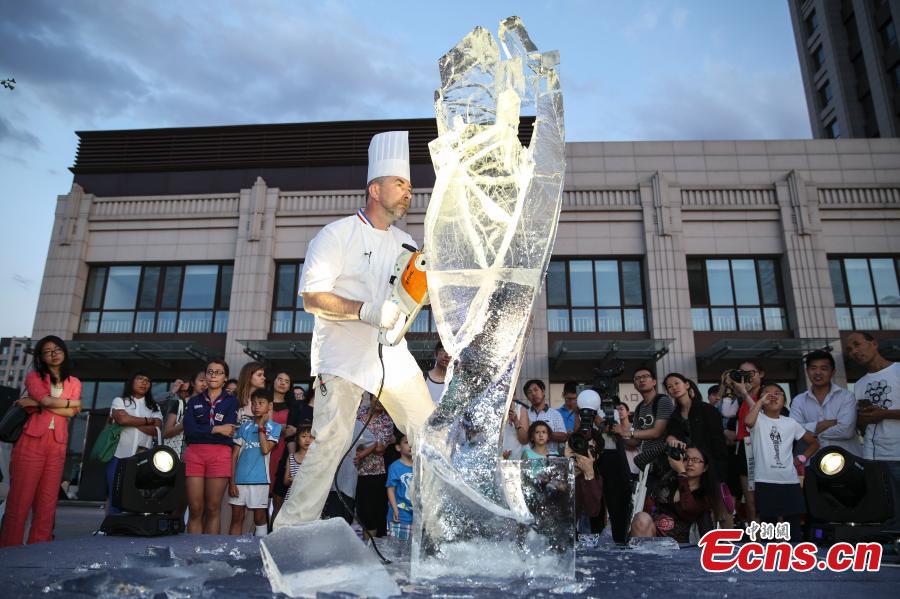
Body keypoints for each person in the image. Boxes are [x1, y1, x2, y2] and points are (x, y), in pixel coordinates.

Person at [275, 131, 435, 529]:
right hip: (342, 354)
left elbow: (417, 293)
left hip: (390, 353)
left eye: (411, 187)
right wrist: (366, 309)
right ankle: (290, 531)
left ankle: (438, 526)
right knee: (330, 442)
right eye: (400, 184)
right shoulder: (336, 234)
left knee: (430, 434)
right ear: (375, 189)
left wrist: (432, 287)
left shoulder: (406, 241)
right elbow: (312, 298)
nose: (407, 193)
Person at [0, 336, 80, 547]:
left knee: (47, 503)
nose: (53, 353)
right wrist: (68, 403)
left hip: (57, 445)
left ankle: (40, 549)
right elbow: (55, 402)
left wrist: (41, 403)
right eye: (47, 351)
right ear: (41, 357)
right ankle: (9, 548)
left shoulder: (74, 382)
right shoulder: (34, 377)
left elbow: (72, 412)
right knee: (19, 502)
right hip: (31, 442)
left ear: (64, 352)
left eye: (57, 349)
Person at [745, 382, 819, 539]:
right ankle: (769, 558)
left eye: (778, 393)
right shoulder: (758, 419)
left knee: (793, 524)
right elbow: (748, 422)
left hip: (789, 480)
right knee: (768, 526)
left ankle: (793, 557)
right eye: (767, 393)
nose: (772, 396)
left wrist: (801, 458)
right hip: (765, 480)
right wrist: (760, 402)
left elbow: (814, 443)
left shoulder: (790, 422)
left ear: (784, 400)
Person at [846, 331, 900, 533]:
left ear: (874, 344)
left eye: (857, 344)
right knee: (886, 510)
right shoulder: (859, 384)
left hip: (898, 451)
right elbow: (864, 424)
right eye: (850, 350)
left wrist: (884, 414)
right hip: (873, 454)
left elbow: (881, 414)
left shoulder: (897, 371)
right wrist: (863, 419)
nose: (854, 352)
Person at [183, 359, 238, 535]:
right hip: (195, 453)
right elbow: (190, 431)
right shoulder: (193, 401)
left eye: (218, 372)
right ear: (205, 376)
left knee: (213, 508)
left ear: (225, 378)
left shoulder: (232, 402)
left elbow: (229, 430)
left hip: (220, 454)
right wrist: (216, 429)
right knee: (195, 508)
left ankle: (209, 554)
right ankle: (191, 552)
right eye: (210, 372)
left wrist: (206, 430)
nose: (213, 375)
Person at [630, 445, 720, 544]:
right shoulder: (668, 477)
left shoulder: (705, 494)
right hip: (651, 538)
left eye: (695, 460)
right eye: (686, 458)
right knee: (641, 518)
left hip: (679, 549)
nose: (689, 463)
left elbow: (688, 508)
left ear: (705, 467)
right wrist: (667, 446)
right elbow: (639, 461)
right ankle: (644, 557)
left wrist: (682, 474)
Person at [106, 371, 163, 514]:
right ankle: (110, 530)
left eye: (148, 380)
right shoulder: (119, 401)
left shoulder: (154, 406)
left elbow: (156, 429)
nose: (144, 382)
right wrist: (147, 420)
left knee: (135, 495)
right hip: (118, 455)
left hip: (142, 458)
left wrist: (131, 421)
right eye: (140, 379)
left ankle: (130, 529)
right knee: (115, 494)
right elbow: (122, 420)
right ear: (131, 381)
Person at [229, 388, 280, 537]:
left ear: (269, 406)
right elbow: (234, 456)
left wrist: (261, 428)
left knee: (259, 518)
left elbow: (265, 449)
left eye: (261, 403)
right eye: (254, 403)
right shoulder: (244, 427)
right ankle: (233, 554)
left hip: (260, 481)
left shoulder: (274, 427)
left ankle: (260, 552)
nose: (256, 406)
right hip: (239, 480)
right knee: (237, 518)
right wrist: (231, 482)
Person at [790, 350, 861, 456]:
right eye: (813, 368)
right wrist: (824, 424)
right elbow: (794, 431)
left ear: (833, 372)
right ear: (807, 371)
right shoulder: (798, 401)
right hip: (813, 462)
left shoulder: (847, 397)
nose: (818, 372)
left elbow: (846, 431)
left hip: (847, 460)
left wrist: (811, 432)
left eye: (824, 368)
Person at [663, 372, 728, 482]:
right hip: (685, 467)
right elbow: (670, 435)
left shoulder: (707, 409)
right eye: (670, 387)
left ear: (687, 385)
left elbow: (718, 442)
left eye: (676, 383)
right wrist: (670, 438)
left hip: (710, 466)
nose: (674, 387)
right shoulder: (674, 416)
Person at [727, 359, 765, 522]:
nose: (747, 378)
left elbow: (763, 418)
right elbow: (728, 415)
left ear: (761, 374)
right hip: (743, 448)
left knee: (765, 500)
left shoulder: (766, 393)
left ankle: (773, 541)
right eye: (742, 374)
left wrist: (744, 393)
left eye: (750, 373)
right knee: (750, 502)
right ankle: (755, 542)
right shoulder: (741, 397)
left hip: (763, 449)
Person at [613, 367, 674, 470]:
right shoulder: (639, 408)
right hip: (648, 462)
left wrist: (627, 433)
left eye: (645, 376)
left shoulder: (663, 401)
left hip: (665, 459)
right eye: (637, 378)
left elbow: (656, 432)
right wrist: (618, 437)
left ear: (654, 382)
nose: (641, 380)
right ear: (635, 385)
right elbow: (636, 442)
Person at [354, 397, 395, 538]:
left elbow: (380, 448)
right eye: (376, 397)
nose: (379, 401)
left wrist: (359, 443)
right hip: (351, 469)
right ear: (371, 398)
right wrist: (371, 443)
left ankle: (371, 548)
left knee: (371, 512)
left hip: (374, 471)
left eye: (383, 398)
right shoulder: (358, 412)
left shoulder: (387, 421)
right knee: (356, 510)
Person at [269, 371, 296, 523]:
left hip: (283, 453)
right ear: (274, 381)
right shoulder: (262, 402)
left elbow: (293, 431)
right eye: (280, 379)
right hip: (263, 452)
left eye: (287, 381)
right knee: (258, 503)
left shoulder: (293, 406)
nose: (283, 383)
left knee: (278, 500)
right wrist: (281, 428)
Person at [164, 370, 206, 457]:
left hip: (200, 456)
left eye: (208, 381)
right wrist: (184, 424)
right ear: (193, 383)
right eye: (202, 380)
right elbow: (166, 432)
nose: (204, 384)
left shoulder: (211, 407)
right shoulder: (180, 404)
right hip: (177, 455)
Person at [523, 379, 567, 453]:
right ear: (527, 397)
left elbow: (564, 437)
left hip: (551, 458)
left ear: (543, 392)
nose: (533, 394)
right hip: (530, 458)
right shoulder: (524, 414)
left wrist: (545, 433)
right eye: (529, 392)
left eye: (536, 390)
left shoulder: (555, 414)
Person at [386, 431, 414, 541]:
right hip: (401, 513)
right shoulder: (395, 467)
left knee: (412, 548)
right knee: (399, 547)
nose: (411, 445)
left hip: (415, 514)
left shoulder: (420, 465)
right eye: (407, 442)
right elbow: (390, 490)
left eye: (413, 442)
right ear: (398, 447)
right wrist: (395, 509)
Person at [284, 424, 314, 502]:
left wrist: (300, 479)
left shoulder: (316, 459)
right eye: (303, 436)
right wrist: (292, 480)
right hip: (293, 499)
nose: (307, 440)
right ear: (297, 439)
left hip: (309, 500)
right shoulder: (291, 458)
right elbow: (285, 481)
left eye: (311, 437)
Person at [425, 341, 451, 406]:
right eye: (443, 350)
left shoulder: (455, 382)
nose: (447, 355)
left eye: (450, 352)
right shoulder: (422, 377)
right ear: (435, 354)